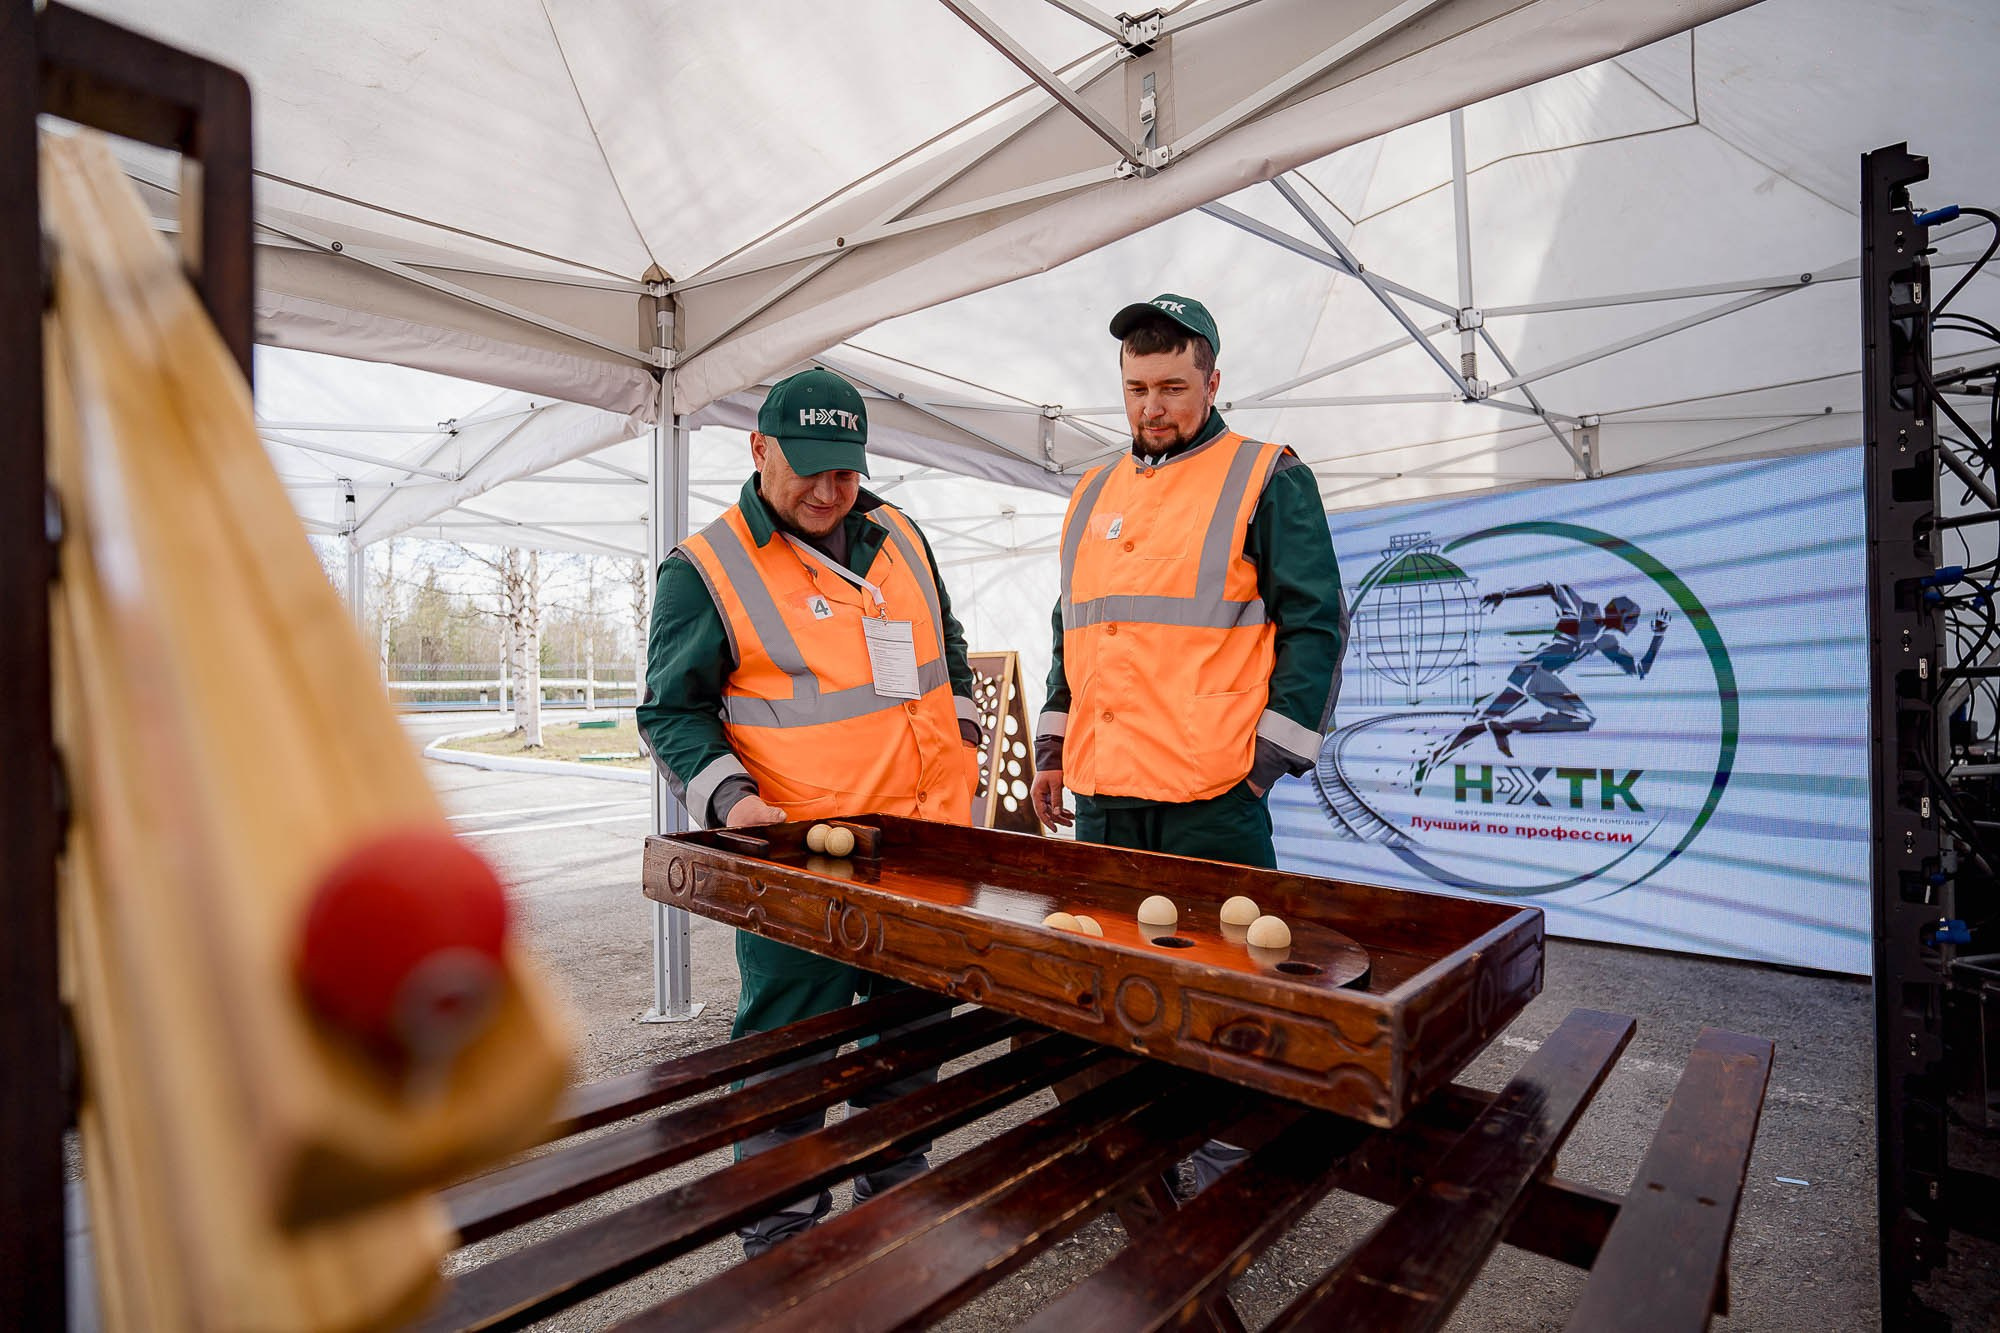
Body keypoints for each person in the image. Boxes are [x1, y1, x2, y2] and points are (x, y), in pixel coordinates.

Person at [636, 367, 981, 1257]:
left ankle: (893, 1221)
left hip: (928, 858)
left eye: (848, 472)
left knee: (907, 1051)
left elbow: (946, 645)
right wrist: (732, 800)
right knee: (791, 1058)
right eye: (813, 470)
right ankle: (783, 1248)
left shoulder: (899, 531)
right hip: (804, 873)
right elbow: (671, 710)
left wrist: (968, 735)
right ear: (758, 450)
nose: (832, 492)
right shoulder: (705, 571)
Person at [1029, 294, 1346, 1192]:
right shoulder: (1091, 491)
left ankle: (1222, 1164)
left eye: (1172, 386)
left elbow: (1316, 624)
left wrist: (1267, 763)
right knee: (1108, 986)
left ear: (1213, 380)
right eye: (1136, 388)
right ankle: (1136, 1152)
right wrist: (1054, 748)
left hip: (1213, 794)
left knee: (1226, 992)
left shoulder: (1266, 476)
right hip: (1106, 791)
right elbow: (1074, 631)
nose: (1151, 407)